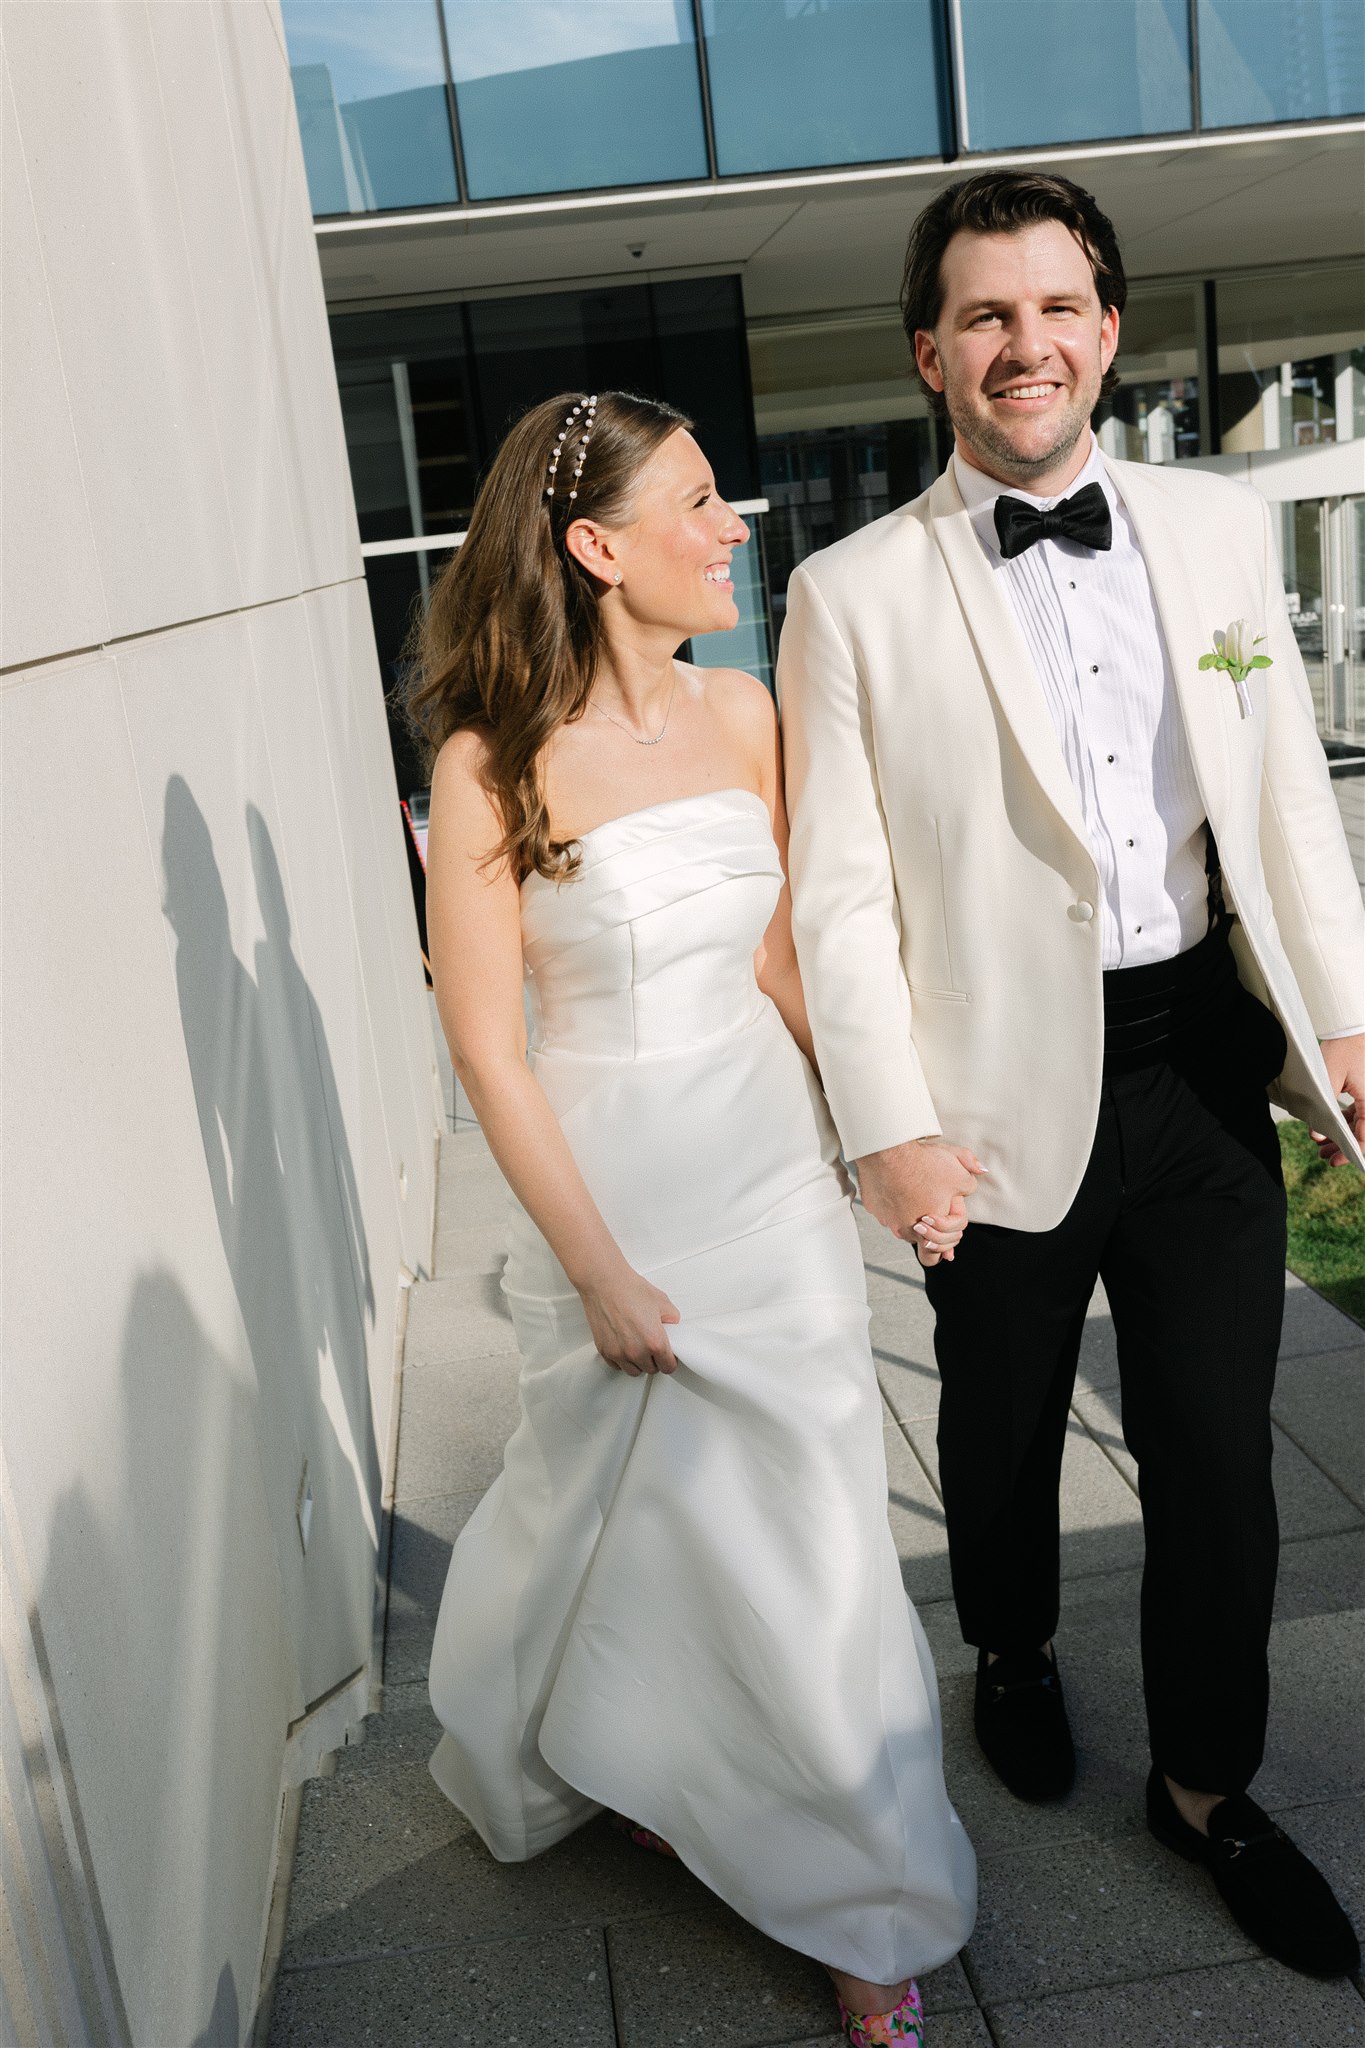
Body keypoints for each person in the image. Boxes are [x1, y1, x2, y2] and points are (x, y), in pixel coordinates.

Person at [777, 168, 1364, 1983]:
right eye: (982, 316)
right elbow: (840, 886)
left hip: (1193, 1052)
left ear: (1104, 331)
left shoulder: (1207, 531)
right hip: (985, 1086)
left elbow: (1278, 799)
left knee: (1216, 1459)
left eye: (1053, 309)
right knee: (998, 1423)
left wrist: (1341, 1014)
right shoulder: (846, 593)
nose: (1022, 344)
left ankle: (1202, 1784)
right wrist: (887, 1127)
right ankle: (1014, 1649)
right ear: (928, 356)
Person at [412, 389, 976, 2043]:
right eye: (700, 501)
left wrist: (893, 1144)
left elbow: (789, 960)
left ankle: (857, 1903)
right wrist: (592, 1269)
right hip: (614, 1194)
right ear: (595, 548)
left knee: (810, 1541)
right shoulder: (484, 765)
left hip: (764, 1191)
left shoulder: (744, 715)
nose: (736, 525)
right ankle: (633, 1748)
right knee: (625, 1520)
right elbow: (484, 1052)